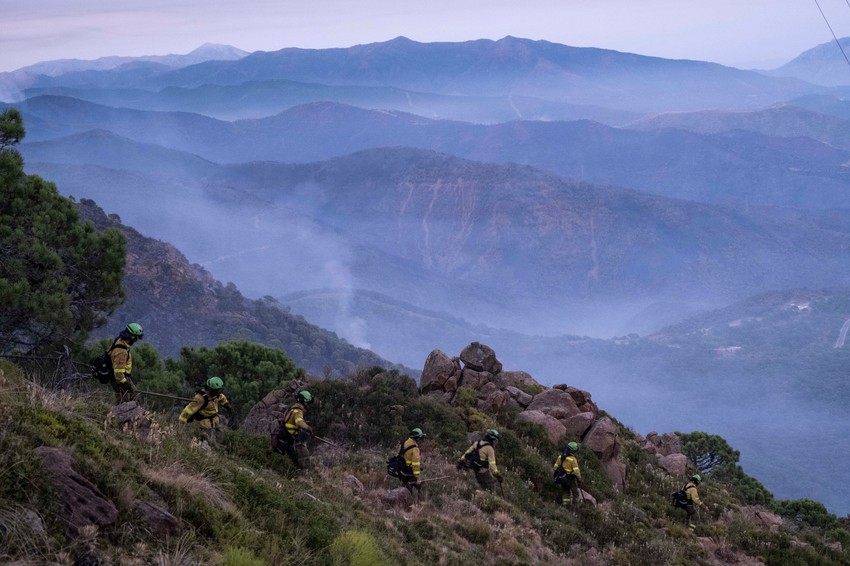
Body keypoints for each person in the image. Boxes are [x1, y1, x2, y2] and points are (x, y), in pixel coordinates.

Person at [178, 376, 232, 446]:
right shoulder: (200, 398)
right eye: (216, 391)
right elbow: (187, 410)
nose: (218, 393)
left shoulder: (216, 394)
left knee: (220, 437)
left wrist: (226, 405)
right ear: (209, 389)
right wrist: (181, 424)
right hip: (205, 424)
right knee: (210, 442)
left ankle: (219, 449)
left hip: (215, 420)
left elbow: (222, 398)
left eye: (219, 391)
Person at [272, 390, 314, 470]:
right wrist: (309, 428)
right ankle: (304, 475)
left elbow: (291, 421)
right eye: (307, 403)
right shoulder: (298, 411)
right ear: (304, 402)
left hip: (286, 437)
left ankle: (296, 472)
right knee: (304, 456)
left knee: (295, 459)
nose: (307, 405)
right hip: (292, 438)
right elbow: (299, 422)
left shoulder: (293, 409)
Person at [109, 322, 143, 405]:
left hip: (122, 377)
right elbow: (118, 373)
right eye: (136, 338)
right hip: (120, 380)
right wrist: (126, 385)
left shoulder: (119, 340)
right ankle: (118, 417)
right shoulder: (121, 352)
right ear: (132, 337)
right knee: (124, 402)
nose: (136, 341)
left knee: (134, 398)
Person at [397, 428, 426, 500]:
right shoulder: (415, 448)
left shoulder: (406, 443)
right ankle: (420, 503)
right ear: (417, 438)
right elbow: (415, 464)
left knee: (405, 486)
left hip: (403, 471)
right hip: (410, 472)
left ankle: (403, 502)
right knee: (420, 486)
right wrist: (417, 477)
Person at [553, 441, 582, 507]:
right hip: (571, 478)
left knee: (566, 491)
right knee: (575, 493)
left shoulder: (561, 457)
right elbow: (576, 471)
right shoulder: (573, 459)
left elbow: (555, 467)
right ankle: (575, 506)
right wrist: (579, 479)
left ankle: (565, 505)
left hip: (563, 478)